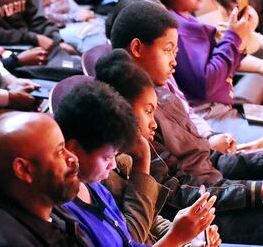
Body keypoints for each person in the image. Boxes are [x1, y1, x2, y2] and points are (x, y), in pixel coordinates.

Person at [107, 6, 263, 244]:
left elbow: (207, 157)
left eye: (176, 50)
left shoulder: (163, 92)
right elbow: (176, 195)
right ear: (137, 48)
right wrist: (254, 191)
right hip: (205, 213)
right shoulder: (133, 119)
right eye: (168, 50)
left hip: (220, 190)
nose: (174, 61)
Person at [56, 79, 221, 247]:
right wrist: (174, 238)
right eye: (107, 157)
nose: (113, 165)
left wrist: (186, 242)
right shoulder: (66, 218)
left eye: (115, 156)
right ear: (74, 150)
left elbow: (129, 243)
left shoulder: (95, 188)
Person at [138, 0, 262, 139]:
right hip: (207, 117)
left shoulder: (185, 17)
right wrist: (234, 36)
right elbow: (206, 84)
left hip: (222, 105)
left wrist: (236, 37)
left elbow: (220, 61)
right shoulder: (172, 28)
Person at [0, 112, 88, 246]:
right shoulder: (7, 241)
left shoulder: (42, 201)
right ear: (23, 170)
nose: (74, 158)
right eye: (60, 152)